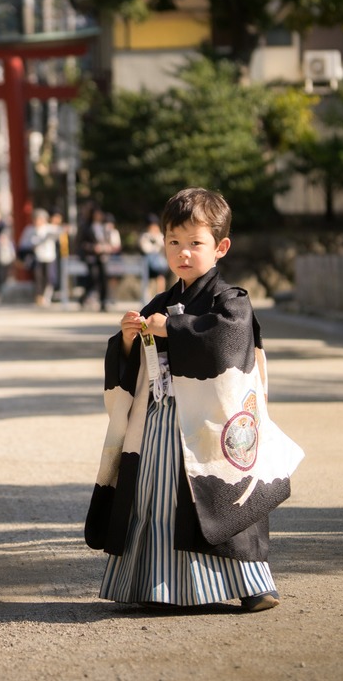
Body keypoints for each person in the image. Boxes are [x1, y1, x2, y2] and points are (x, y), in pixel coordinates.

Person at [84, 187, 304, 612]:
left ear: (220, 247)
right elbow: (130, 357)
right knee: (158, 497)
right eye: (174, 242)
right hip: (162, 423)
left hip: (212, 424)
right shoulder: (162, 301)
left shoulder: (231, 300)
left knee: (226, 496)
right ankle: (156, 584)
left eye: (195, 243)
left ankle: (254, 585)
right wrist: (130, 340)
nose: (183, 253)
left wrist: (176, 328)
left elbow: (230, 336)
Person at [78, 207, 117, 311]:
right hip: (91, 257)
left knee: (103, 279)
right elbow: (81, 243)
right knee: (93, 278)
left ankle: (103, 301)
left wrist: (107, 247)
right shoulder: (86, 227)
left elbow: (109, 241)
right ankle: (85, 298)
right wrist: (93, 248)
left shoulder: (105, 227)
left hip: (103, 256)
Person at [18, 208, 59, 306]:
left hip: (49, 257)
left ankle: (47, 297)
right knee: (38, 278)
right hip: (37, 257)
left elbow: (60, 233)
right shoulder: (29, 230)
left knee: (49, 278)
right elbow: (23, 244)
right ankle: (39, 297)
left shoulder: (50, 228)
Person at [138, 214, 169, 297]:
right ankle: (150, 299)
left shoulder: (160, 236)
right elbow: (146, 249)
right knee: (149, 283)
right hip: (148, 264)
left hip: (159, 264)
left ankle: (161, 296)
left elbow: (163, 246)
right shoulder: (145, 236)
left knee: (160, 278)